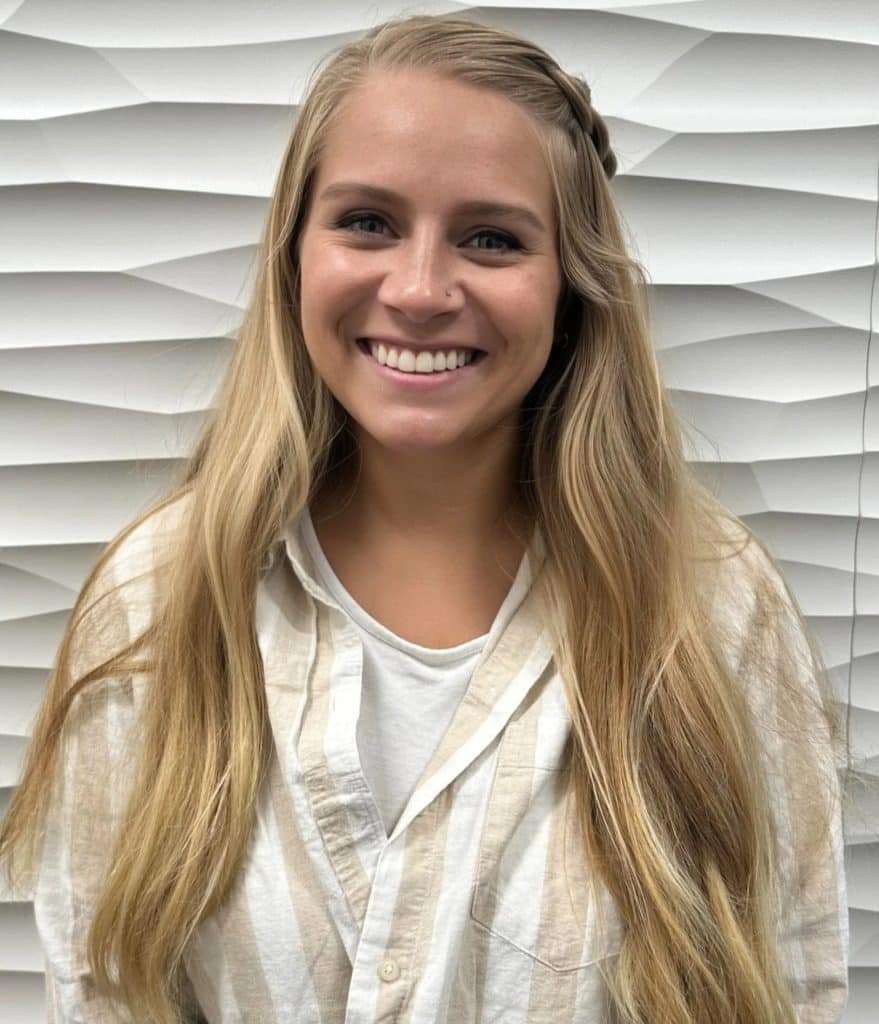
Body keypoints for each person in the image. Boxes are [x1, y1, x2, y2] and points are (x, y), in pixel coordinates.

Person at [0, 12, 850, 1024]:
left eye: (491, 239)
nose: (418, 290)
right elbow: (98, 987)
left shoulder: (709, 600)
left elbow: (790, 980)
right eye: (367, 222)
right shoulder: (157, 594)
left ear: (569, 285)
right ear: (293, 254)